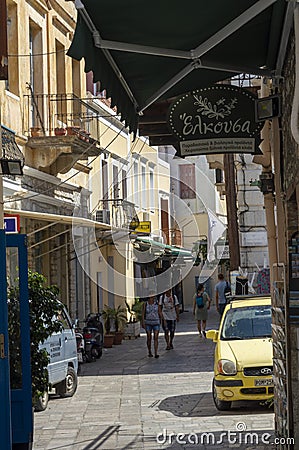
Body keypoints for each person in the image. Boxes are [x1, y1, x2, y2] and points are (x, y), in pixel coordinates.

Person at [141, 292, 162, 358]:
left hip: (156, 322)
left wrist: (163, 320)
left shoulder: (157, 304)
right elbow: (143, 313)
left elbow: (159, 312)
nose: (152, 298)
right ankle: (149, 351)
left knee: (156, 337)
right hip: (148, 322)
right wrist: (143, 322)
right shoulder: (145, 304)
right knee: (149, 337)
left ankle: (156, 352)